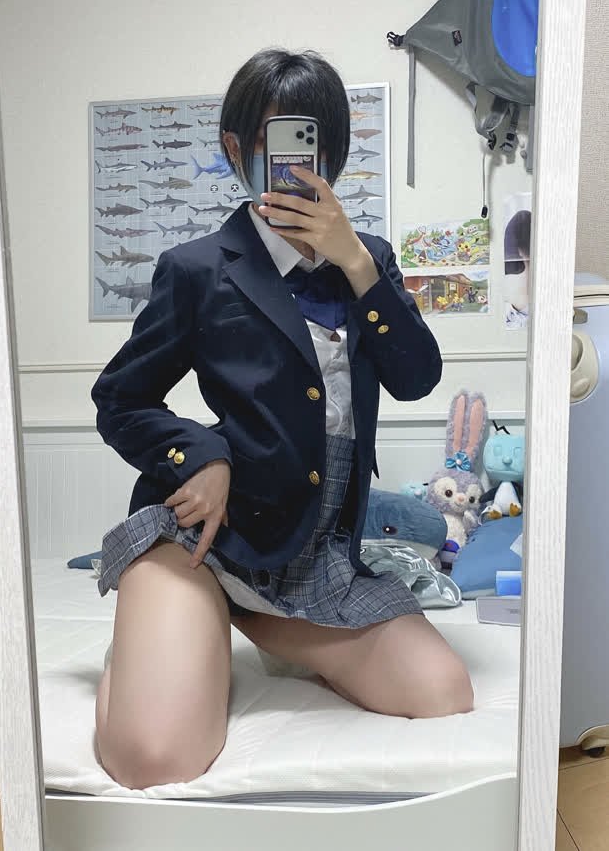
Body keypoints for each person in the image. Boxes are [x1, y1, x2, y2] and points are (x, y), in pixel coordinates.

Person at [91, 48, 474, 791]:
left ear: (334, 152)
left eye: (313, 144)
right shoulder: (199, 268)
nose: (300, 163)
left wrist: (357, 265)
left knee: (443, 692)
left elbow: (416, 378)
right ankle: (149, 645)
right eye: (278, 143)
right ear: (237, 150)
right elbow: (121, 398)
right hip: (210, 535)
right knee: (155, 758)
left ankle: (259, 631)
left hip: (319, 550)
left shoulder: (370, 261)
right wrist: (200, 455)